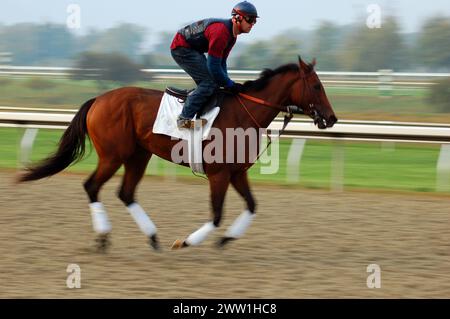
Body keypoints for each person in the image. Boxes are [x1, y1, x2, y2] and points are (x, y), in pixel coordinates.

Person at [170, 1, 259, 129]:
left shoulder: (232, 36)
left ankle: (200, 113)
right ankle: (183, 120)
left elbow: (222, 62)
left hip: (193, 49)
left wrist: (228, 83)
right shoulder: (222, 32)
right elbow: (213, 67)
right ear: (237, 18)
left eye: (255, 21)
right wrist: (230, 84)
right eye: (250, 19)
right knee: (209, 83)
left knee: (215, 83)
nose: (252, 24)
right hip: (181, 48)